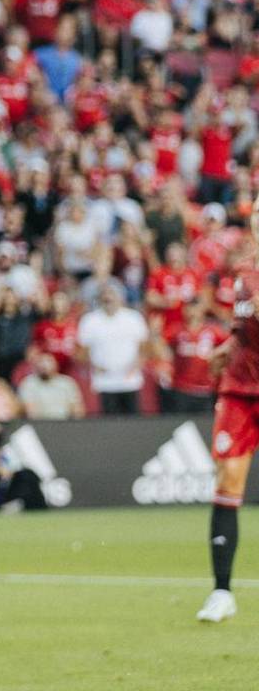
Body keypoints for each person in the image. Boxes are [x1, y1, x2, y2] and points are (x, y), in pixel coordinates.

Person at [196, 194, 259, 623]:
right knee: (228, 480)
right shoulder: (245, 275)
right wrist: (227, 347)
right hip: (240, 390)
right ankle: (222, 592)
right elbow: (244, 332)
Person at [76, 281, 149, 414]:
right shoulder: (90, 320)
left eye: (112, 294)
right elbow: (81, 351)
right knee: (108, 423)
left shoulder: (133, 318)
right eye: (104, 295)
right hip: (104, 382)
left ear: (120, 297)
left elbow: (144, 346)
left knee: (133, 422)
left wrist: (137, 364)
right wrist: (93, 365)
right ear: (99, 299)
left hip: (130, 380)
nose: (108, 298)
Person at [17, 353, 85, 420]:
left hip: (65, 424)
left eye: (48, 361)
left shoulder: (67, 383)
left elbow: (77, 409)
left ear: (56, 365)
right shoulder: (28, 383)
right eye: (41, 362)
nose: (44, 366)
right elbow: (30, 412)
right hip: (39, 424)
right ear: (35, 365)